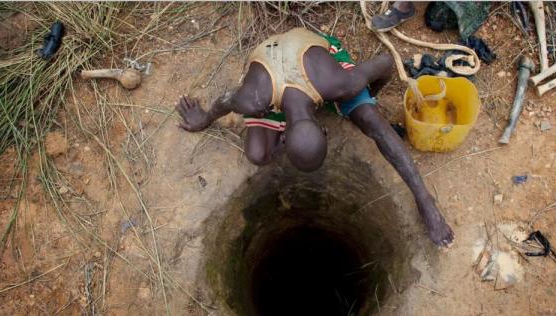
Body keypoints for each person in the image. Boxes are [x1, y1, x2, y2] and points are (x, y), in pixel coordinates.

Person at [176, 27, 453, 247]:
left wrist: (369, 98)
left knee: (371, 120)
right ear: (320, 129)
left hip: (313, 60)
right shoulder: (252, 97)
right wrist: (204, 118)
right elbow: (226, 101)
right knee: (257, 154)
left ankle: (424, 200)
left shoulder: (339, 83)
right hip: (270, 65)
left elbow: (385, 63)